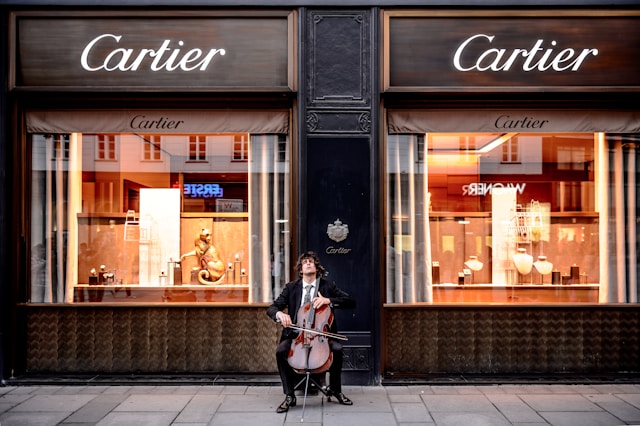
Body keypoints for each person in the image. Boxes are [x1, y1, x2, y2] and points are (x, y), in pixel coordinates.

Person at [266, 251, 356, 413]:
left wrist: (328, 300)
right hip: (296, 336)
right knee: (281, 351)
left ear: (317, 267)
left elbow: (350, 301)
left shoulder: (327, 286)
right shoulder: (291, 288)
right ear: (300, 269)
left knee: (338, 350)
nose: (308, 263)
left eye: (311, 262)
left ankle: (335, 389)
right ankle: (289, 395)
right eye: (304, 262)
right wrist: (279, 314)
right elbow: (272, 308)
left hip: (321, 336)